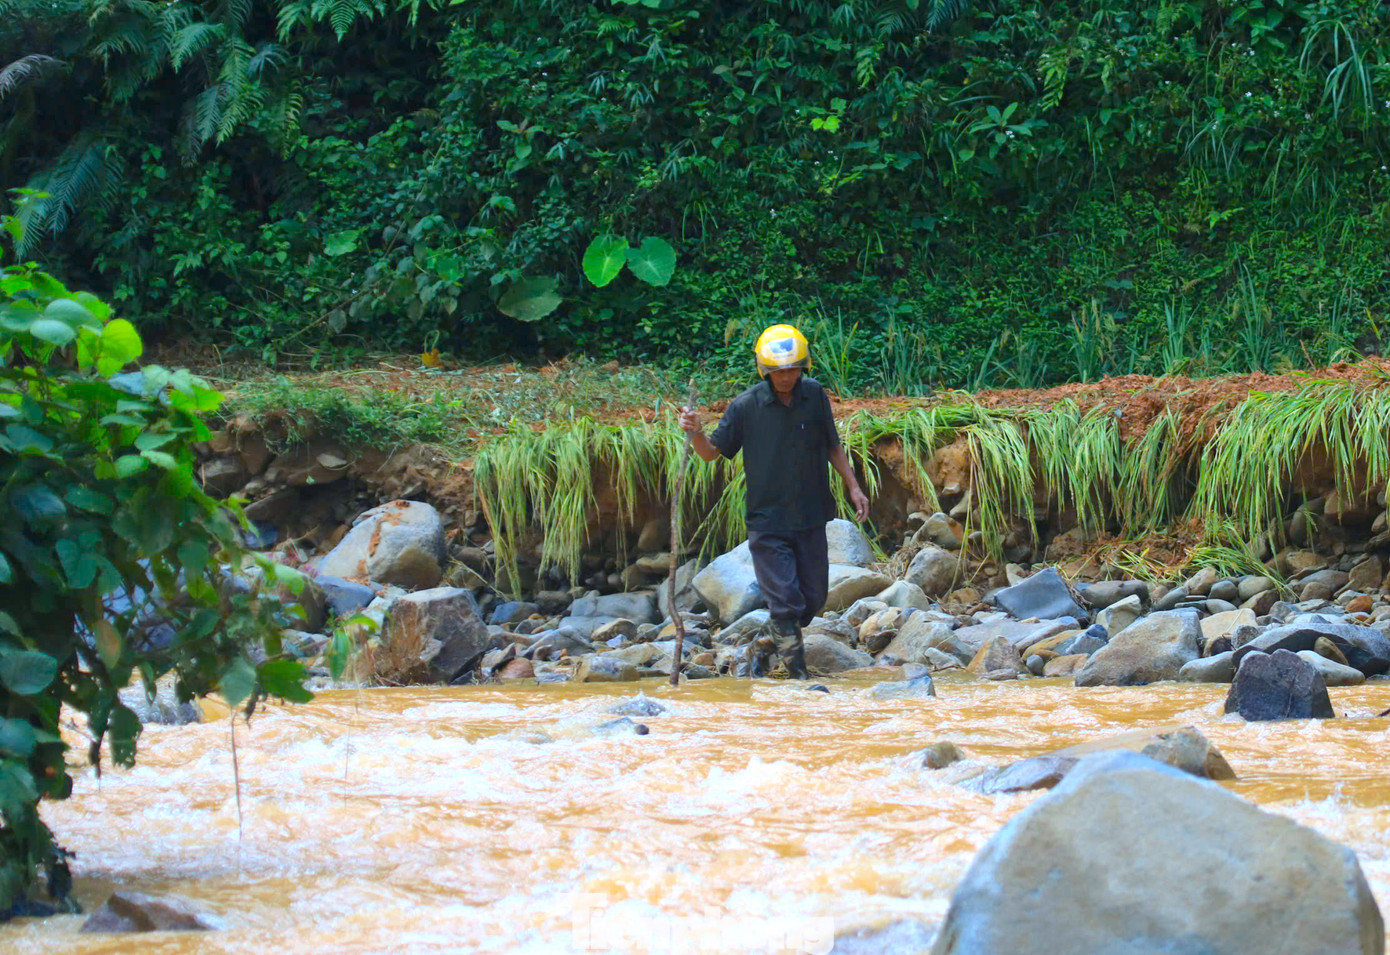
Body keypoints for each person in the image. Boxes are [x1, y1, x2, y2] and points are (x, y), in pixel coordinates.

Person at [678, 323, 870, 679]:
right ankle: (800, 679)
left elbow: (832, 445)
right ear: (765, 371)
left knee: (811, 601)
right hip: (768, 522)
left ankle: (760, 646)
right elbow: (710, 453)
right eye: (778, 371)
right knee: (785, 605)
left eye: (792, 369)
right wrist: (697, 432)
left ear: (803, 367)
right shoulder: (746, 406)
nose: (786, 376)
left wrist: (853, 486)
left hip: (811, 517)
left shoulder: (814, 396)